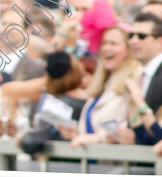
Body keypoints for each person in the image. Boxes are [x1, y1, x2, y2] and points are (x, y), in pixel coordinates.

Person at [61, 24, 141, 147]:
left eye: (114, 44)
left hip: (118, 162)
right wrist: (76, 132)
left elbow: (130, 129)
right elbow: (94, 127)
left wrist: (98, 137)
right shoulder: (104, 84)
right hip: (94, 163)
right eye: (104, 43)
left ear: (128, 49)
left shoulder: (135, 80)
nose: (107, 48)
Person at [116, 13, 162, 146]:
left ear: (160, 41)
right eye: (131, 35)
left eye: (142, 36)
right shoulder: (141, 74)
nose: (133, 41)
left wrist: (140, 103)